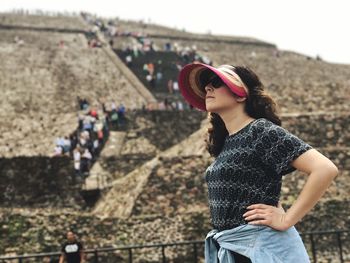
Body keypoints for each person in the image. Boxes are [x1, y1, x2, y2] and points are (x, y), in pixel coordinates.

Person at [178, 63, 338, 263]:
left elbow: (324, 169)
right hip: (235, 250)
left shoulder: (259, 130)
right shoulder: (226, 142)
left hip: (260, 249)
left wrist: (286, 219)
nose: (208, 88)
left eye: (217, 82)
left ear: (241, 94)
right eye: (206, 86)